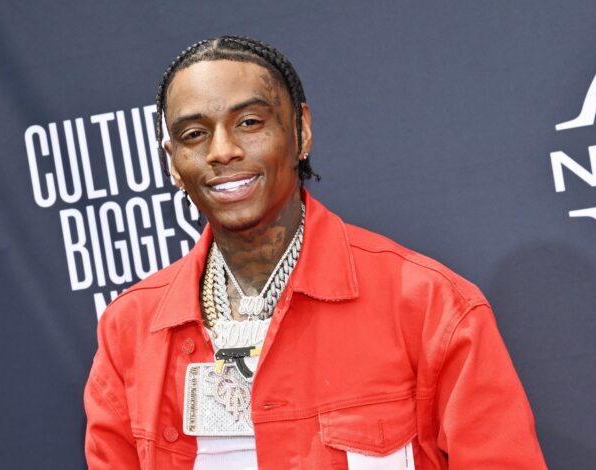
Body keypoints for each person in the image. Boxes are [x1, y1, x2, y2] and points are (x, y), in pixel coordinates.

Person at [84, 35, 547, 469]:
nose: (222, 151)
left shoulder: (428, 305)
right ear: (172, 162)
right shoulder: (129, 329)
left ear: (300, 131)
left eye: (249, 123)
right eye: (193, 134)